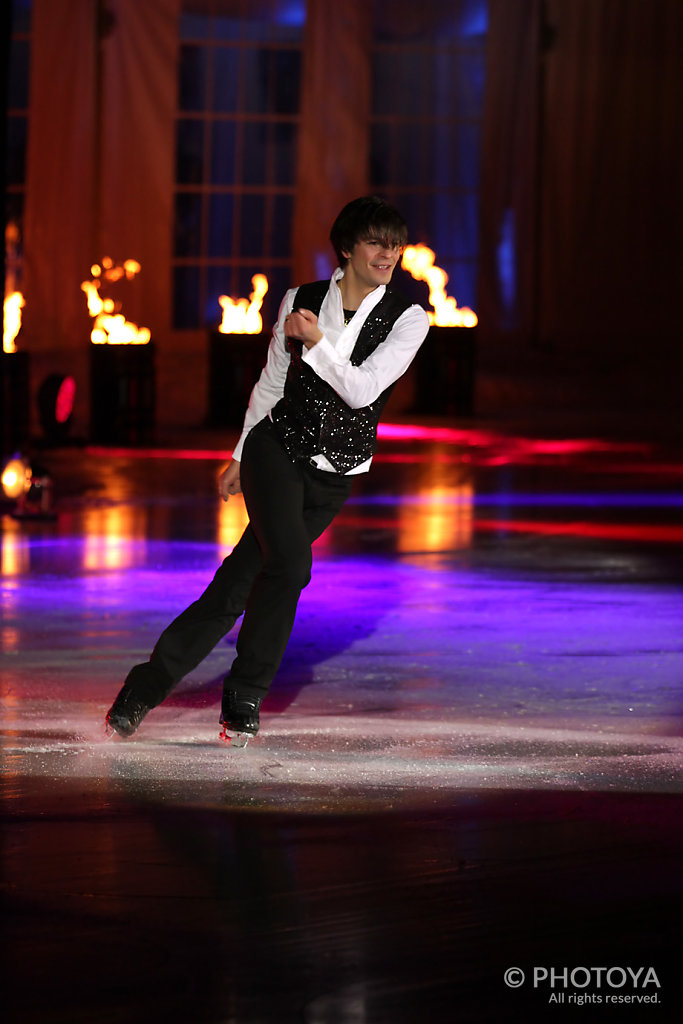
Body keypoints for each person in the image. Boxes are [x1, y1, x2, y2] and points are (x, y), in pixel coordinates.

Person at [105, 195, 430, 746]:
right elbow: (272, 381)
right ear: (348, 247)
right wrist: (237, 454)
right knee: (291, 565)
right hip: (276, 448)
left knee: (238, 584)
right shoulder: (298, 300)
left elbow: (363, 390)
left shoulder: (409, 318)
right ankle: (246, 694)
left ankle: (145, 686)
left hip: (334, 475)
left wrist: (318, 342)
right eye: (376, 241)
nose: (388, 253)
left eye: (395, 244)